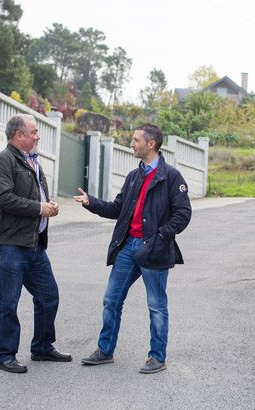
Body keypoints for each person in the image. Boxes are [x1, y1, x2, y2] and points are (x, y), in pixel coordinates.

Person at [74, 124, 191, 374]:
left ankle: (157, 357)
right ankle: (105, 351)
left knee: (156, 305)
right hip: (128, 247)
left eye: (136, 140)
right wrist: (90, 202)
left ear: (151, 144)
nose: (132, 143)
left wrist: (160, 236)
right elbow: (118, 209)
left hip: (154, 248)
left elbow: (183, 214)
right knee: (111, 299)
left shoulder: (171, 177)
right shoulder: (134, 176)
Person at [0, 114, 71, 373]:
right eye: (33, 132)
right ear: (19, 135)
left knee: (48, 296)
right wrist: (40, 208)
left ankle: (42, 347)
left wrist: (48, 205)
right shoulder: (1, 162)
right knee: (8, 301)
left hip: (33, 244)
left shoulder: (31, 161)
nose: (38, 136)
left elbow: (34, 197)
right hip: (9, 243)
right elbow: (3, 198)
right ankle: (4, 356)